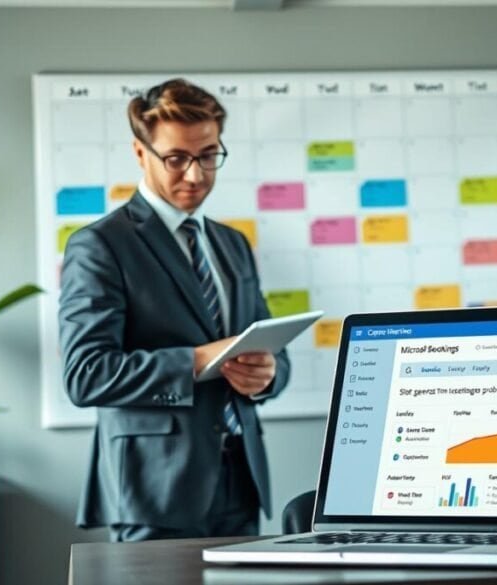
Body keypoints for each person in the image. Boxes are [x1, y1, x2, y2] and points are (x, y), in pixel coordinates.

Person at [59, 78, 290, 542]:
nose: (195, 174)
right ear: (140, 153)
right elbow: (85, 374)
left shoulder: (233, 244)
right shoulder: (100, 246)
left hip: (240, 481)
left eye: (208, 155)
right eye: (176, 158)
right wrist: (200, 359)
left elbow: (272, 353)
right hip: (152, 491)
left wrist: (269, 375)